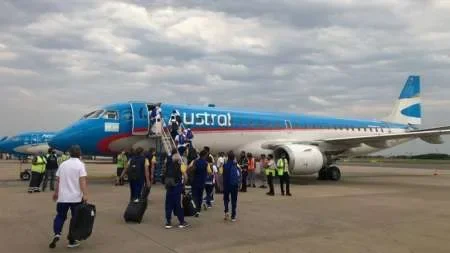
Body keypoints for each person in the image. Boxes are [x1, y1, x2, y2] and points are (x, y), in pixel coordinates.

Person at [48, 145, 88, 249]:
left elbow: (58, 180)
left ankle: (57, 233)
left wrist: (56, 193)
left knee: (60, 216)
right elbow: (82, 180)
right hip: (76, 198)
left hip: (63, 197)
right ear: (79, 153)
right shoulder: (80, 165)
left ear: (69, 153)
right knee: (75, 218)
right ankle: (72, 240)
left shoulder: (63, 164)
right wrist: (85, 194)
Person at [164, 148, 190, 229]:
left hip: (169, 185)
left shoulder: (167, 163)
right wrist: (184, 184)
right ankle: (181, 222)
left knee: (168, 204)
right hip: (177, 185)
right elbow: (185, 177)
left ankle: (168, 222)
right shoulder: (180, 164)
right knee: (177, 204)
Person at [188, 149, 211, 217]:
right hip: (202, 182)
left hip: (194, 181)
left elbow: (189, 168)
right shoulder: (206, 163)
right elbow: (209, 172)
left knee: (194, 196)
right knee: (200, 196)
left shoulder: (195, 161)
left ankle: (194, 210)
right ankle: (198, 210)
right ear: (204, 155)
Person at [222, 151, 240, 222]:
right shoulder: (236, 165)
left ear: (228, 157)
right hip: (234, 185)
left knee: (226, 199)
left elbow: (223, 175)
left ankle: (226, 211)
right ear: (234, 157)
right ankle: (233, 216)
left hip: (226, 184)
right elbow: (239, 175)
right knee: (234, 200)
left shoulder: (225, 165)